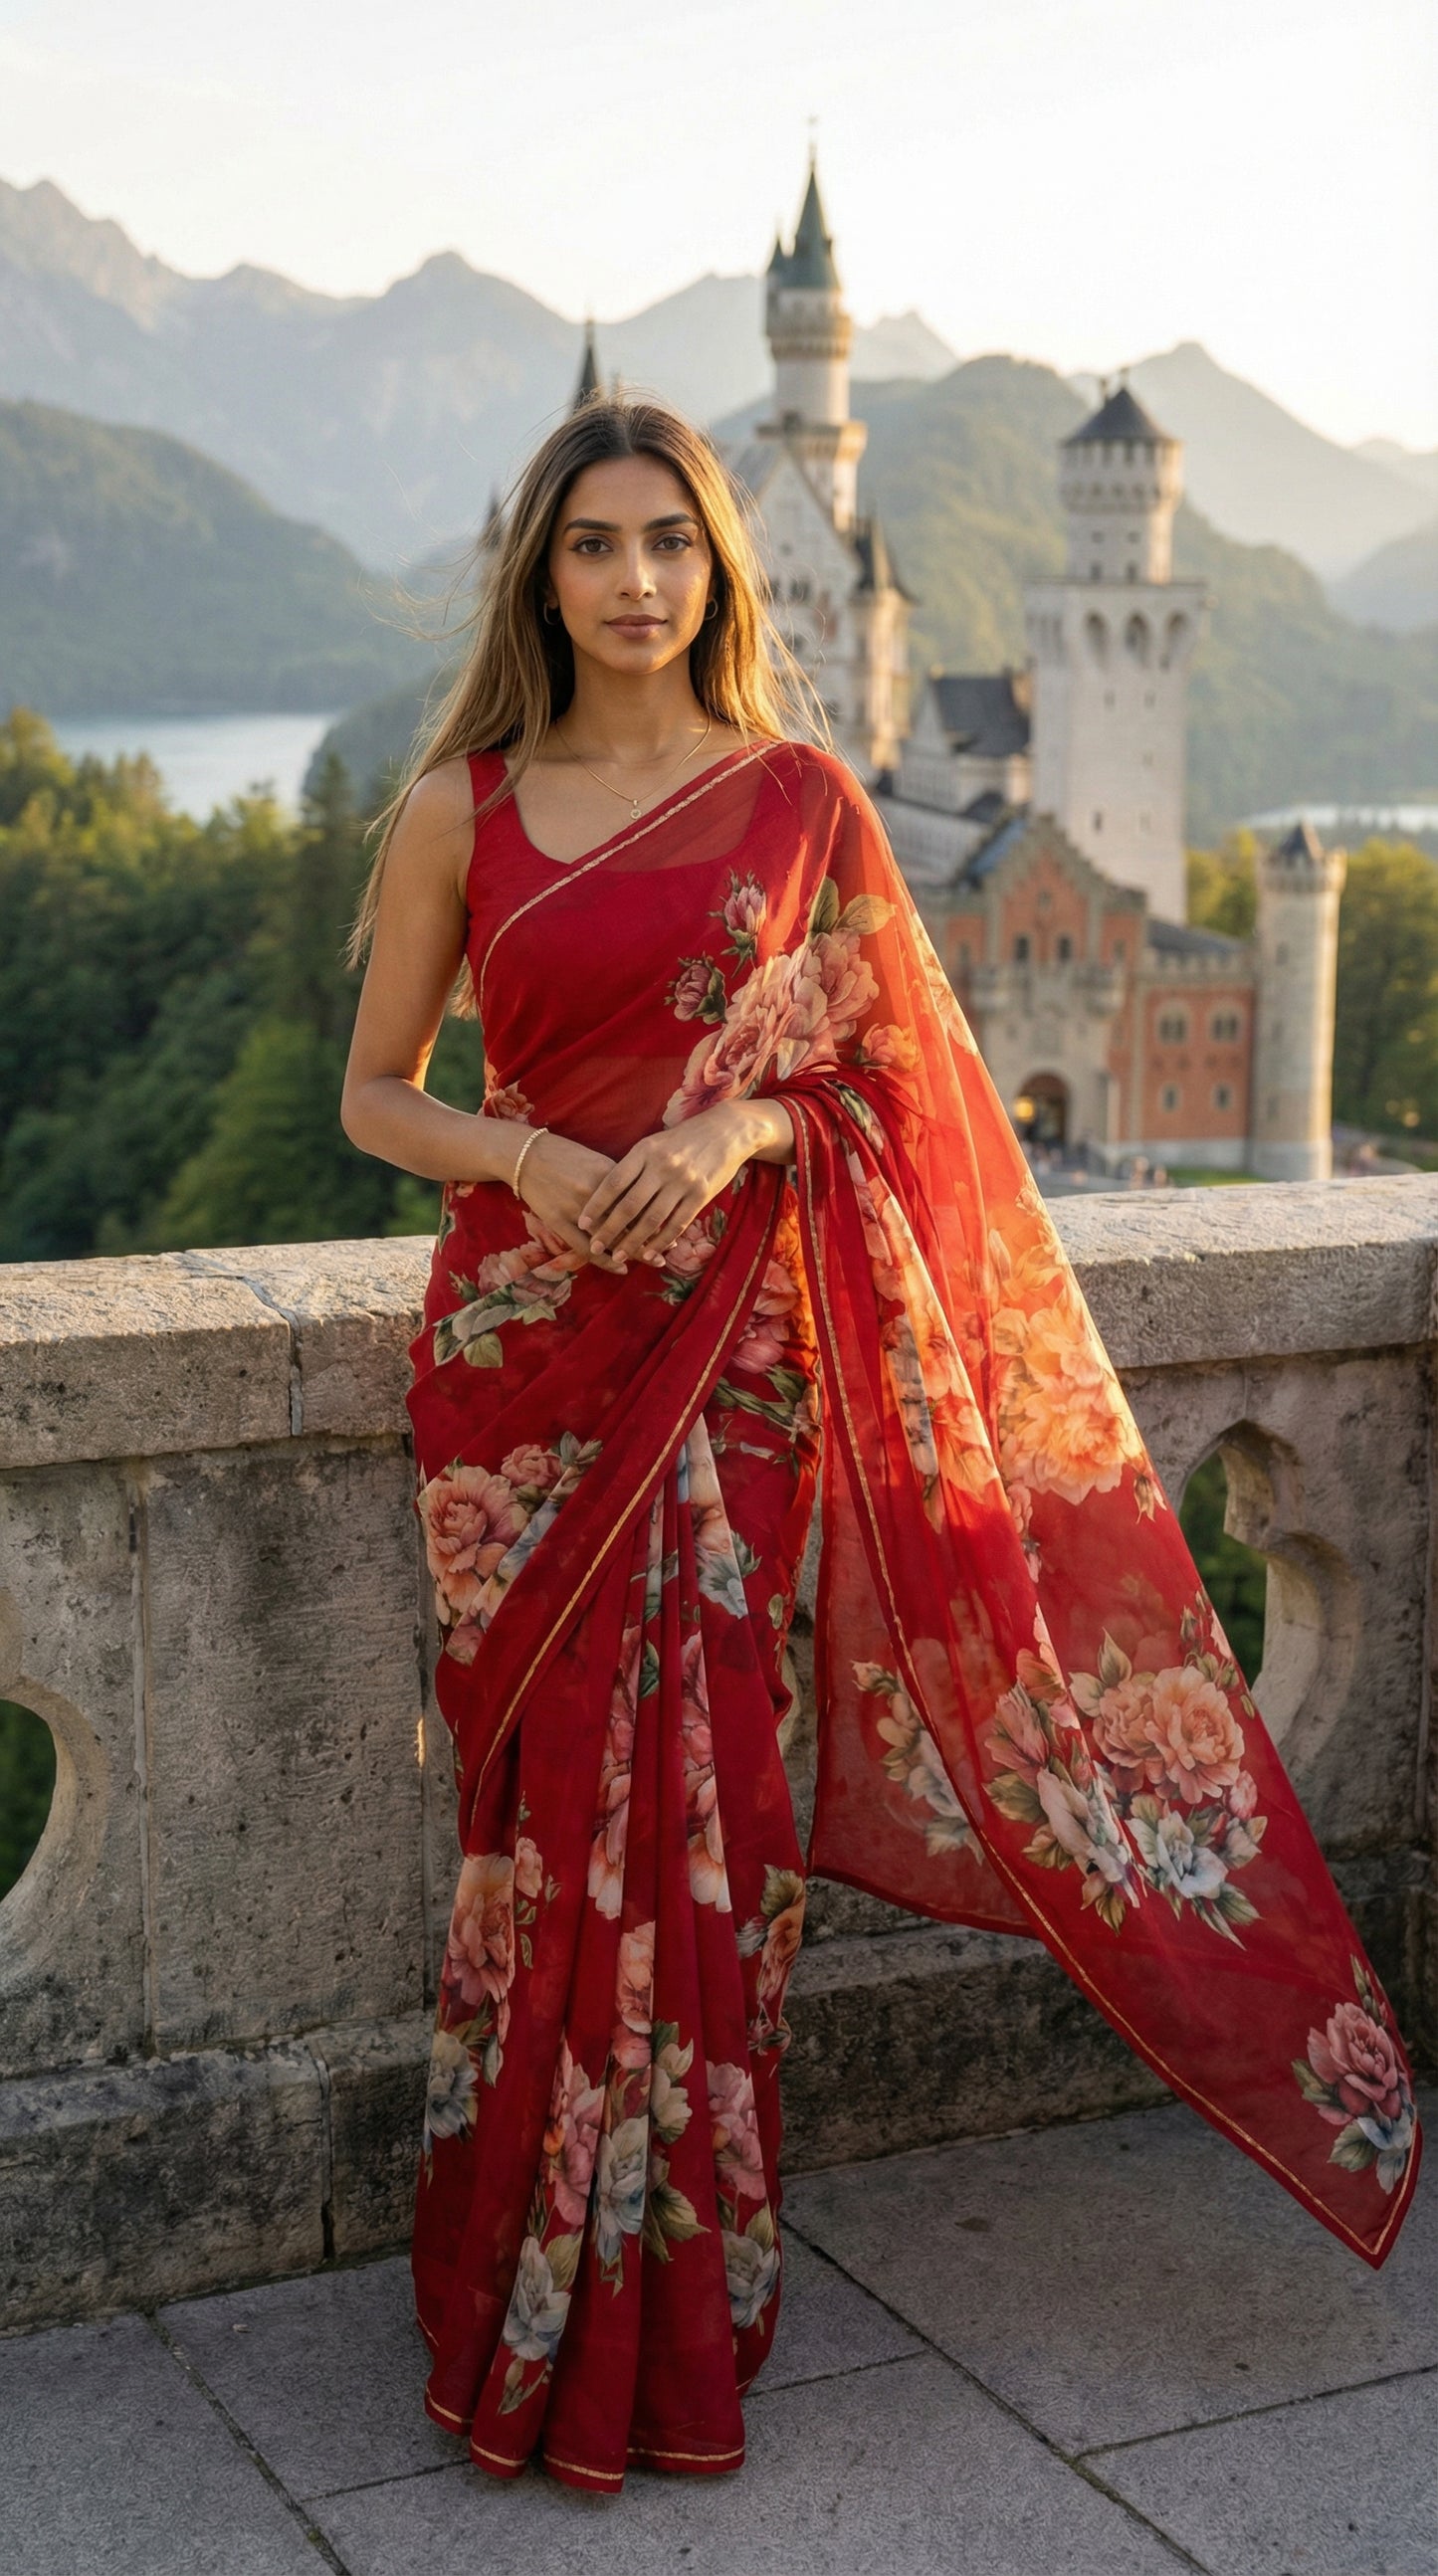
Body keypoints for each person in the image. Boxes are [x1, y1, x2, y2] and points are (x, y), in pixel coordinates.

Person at [341, 396, 1421, 2494]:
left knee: (715, 1832)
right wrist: (537, 1162)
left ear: (726, 566)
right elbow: (376, 1092)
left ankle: (685, 2288)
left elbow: (889, 1085)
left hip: (737, 1378)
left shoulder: (802, 797)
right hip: (525, 1374)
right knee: (546, 1842)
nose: (635, 578)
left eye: (671, 540)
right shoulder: (457, 811)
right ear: (540, 574)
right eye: (594, 544)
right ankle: (526, 2285)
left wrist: (749, 1117)